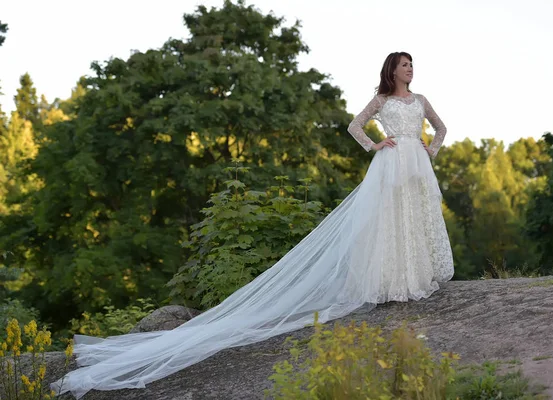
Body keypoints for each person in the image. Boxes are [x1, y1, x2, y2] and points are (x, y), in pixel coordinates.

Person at [51, 51, 453, 398]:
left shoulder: (420, 99)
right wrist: (375, 144)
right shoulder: (381, 99)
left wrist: (429, 148)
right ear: (391, 70)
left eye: (412, 65)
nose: (410, 70)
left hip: (415, 166)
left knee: (414, 216)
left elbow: (442, 128)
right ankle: (393, 281)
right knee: (389, 220)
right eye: (404, 65)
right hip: (388, 165)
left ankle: (414, 276)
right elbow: (354, 125)